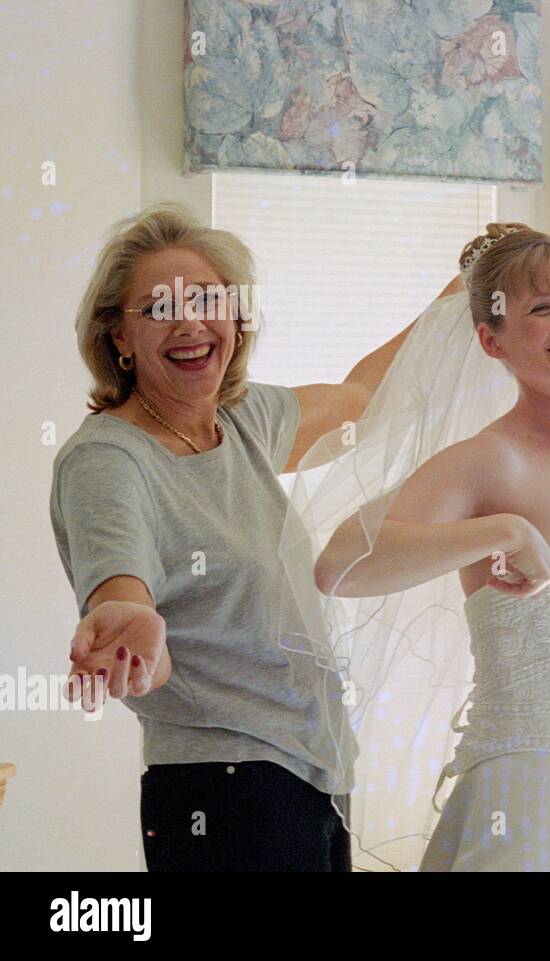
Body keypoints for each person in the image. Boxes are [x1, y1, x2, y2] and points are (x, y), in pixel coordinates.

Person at [50, 202, 456, 871]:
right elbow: (121, 587)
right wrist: (127, 619)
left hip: (311, 776)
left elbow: (362, 397)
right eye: (158, 307)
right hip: (227, 789)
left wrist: (464, 288)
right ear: (118, 337)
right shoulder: (108, 460)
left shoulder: (240, 421)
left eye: (207, 297)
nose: (189, 320)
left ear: (236, 316)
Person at [301, 223, 550, 871]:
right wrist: (499, 531)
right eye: (541, 308)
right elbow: (340, 563)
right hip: (533, 791)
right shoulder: (486, 462)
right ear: (492, 342)